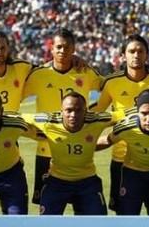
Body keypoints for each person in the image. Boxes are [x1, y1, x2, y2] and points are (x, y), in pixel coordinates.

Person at [23, 28, 102, 204]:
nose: (62, 51)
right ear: (51, 49)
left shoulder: (85, 72)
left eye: (67, 47)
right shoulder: (39, 75)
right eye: (58, 47)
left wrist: (93, 113)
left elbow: (108, 88)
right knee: (47, 206)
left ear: (73, 49)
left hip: (79, 148)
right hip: (46, 147)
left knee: (83, 206)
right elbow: (15, 96)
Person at [90, 34, 149, 214]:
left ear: (147, 55)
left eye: (140, 51)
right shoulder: (112, 82)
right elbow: (96, 114)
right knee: (124, 217)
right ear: (123, 56)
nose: (136, 55)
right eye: (131, 51)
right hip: (122, 161)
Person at [24, 92, 113, 215]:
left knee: (98, 222)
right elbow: (21, 117)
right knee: (47, 223)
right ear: (61, 111)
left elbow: (121, 116)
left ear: (86, 111)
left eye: (78, 110)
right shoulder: (48, 121)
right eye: (68, 110)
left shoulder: (97, 120)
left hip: (87, 182)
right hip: (56, 182)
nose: (73, 115)